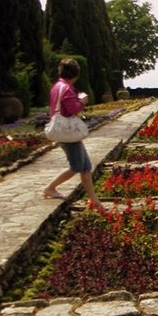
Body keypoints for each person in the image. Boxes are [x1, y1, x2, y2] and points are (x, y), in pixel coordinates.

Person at [42, 58, 104, 210]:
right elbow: (73, 109)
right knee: (76, 166)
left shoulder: (57, 86)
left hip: (65, 129)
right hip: (67, 131)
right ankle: (50, 188)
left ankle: (94, 199)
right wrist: (82, 101)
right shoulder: (67, 88)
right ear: (75, 74)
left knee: (85, 166)